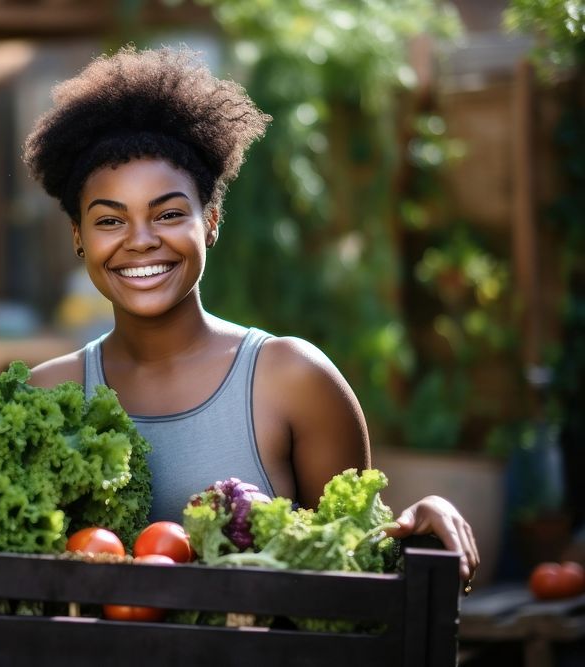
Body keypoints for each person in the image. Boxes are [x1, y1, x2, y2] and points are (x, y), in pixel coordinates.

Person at [24, 45, 479, 583]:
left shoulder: (291, 379)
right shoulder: (45, 396)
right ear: (78, 236)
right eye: (109, 221)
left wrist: (420, 520)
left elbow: (352, 566)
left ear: (211, 221)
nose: (140, 242)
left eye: (168, 214)